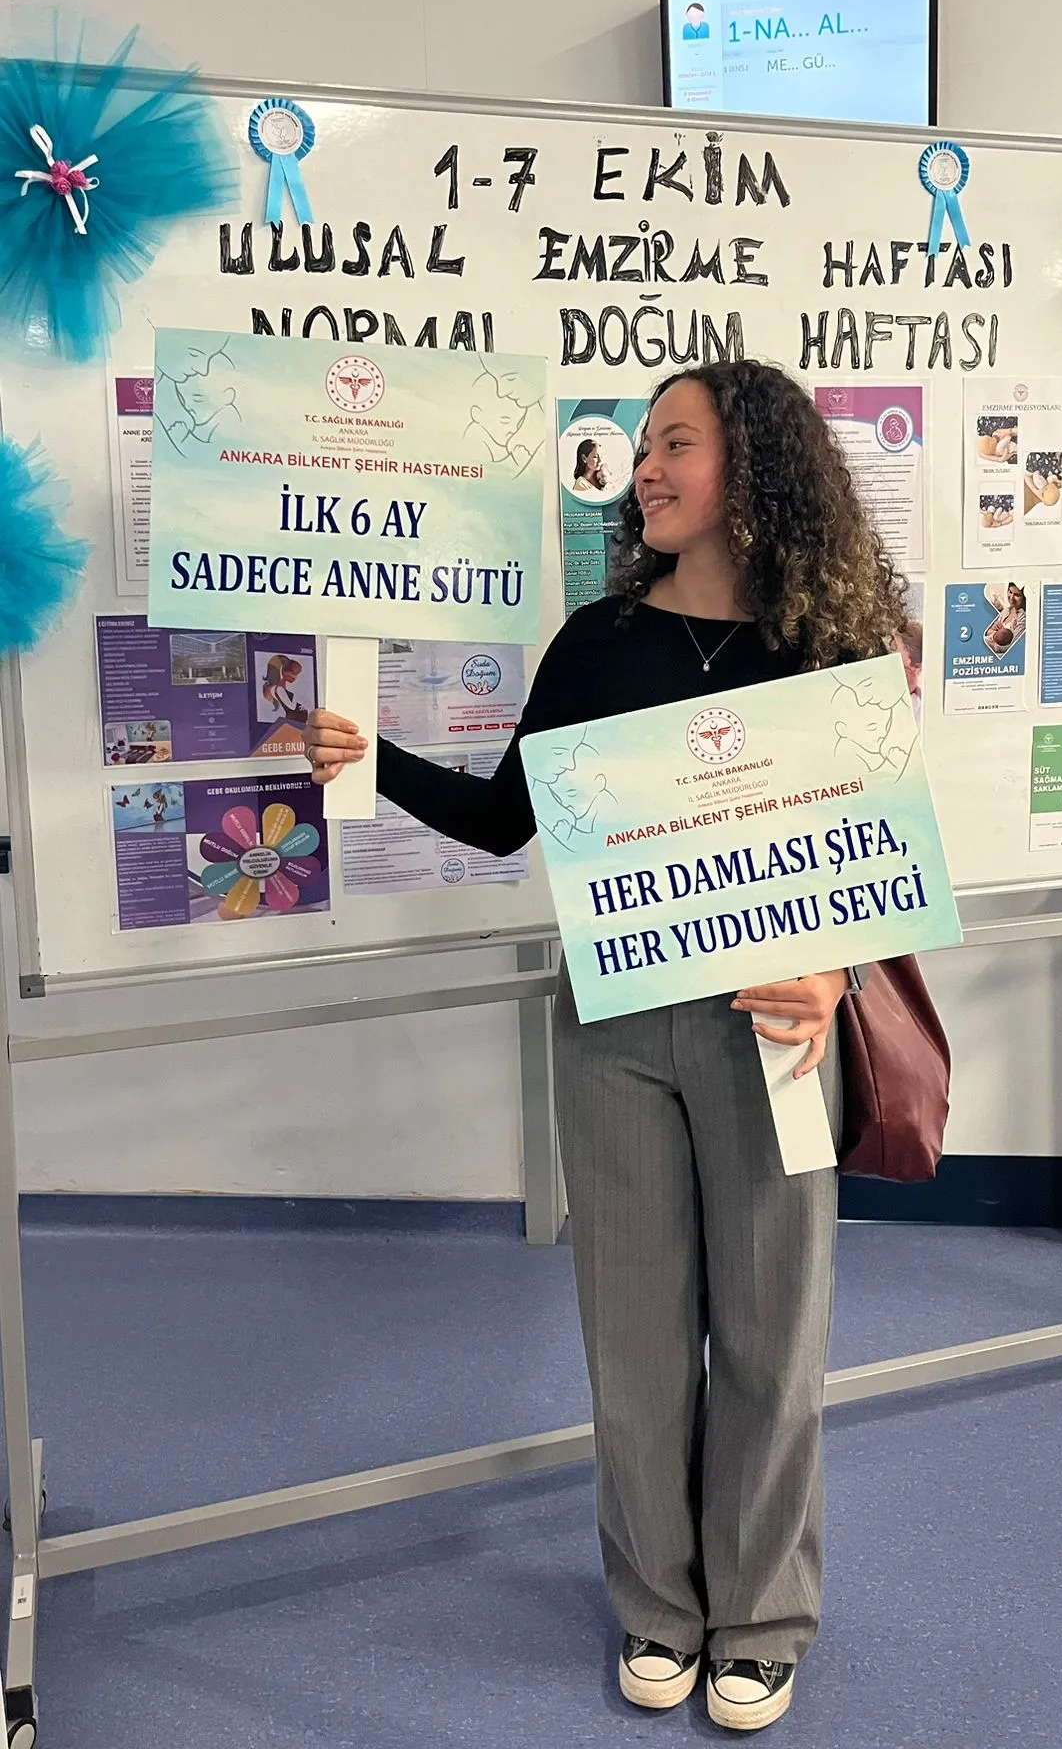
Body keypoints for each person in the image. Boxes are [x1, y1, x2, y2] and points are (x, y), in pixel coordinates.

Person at [304, 360, 910, 1733]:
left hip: (774, 1029)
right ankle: (659, 1605)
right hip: (616, 1023)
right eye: (642, 446)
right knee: (633, 1334)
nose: (645, 467)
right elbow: (504, 820)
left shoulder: (834, 648)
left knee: (772, 1334)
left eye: (675, 441)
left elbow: (878, 855)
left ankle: (760, 1614)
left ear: (755, 464)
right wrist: (372, 757)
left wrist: (836, 971)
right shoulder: (597, 638)